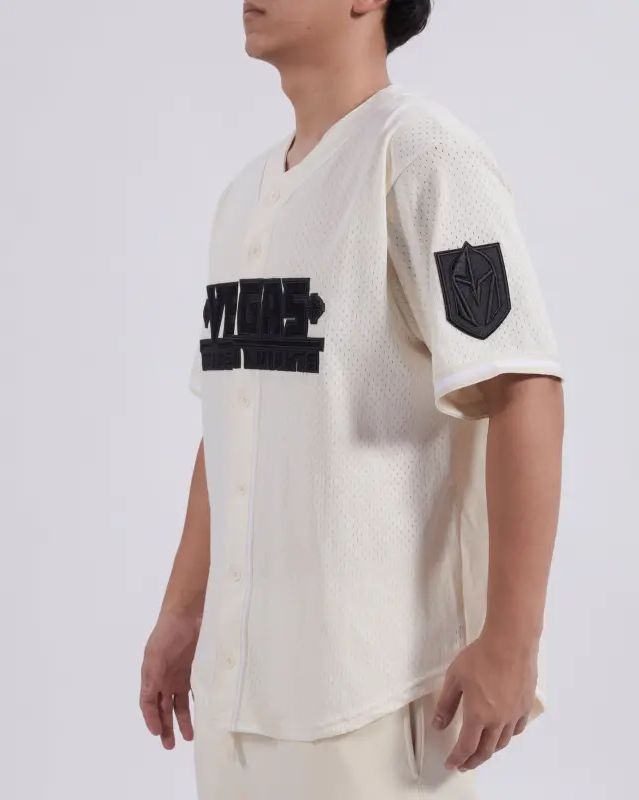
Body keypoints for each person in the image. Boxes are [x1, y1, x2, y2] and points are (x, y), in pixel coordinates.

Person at [140, 1, 565, 797]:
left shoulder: (424, 156)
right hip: (236, 698)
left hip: (370, 700)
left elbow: (523, 385)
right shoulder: (242, 196)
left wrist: (512, 640)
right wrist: (183, 610)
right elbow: (233, 421)